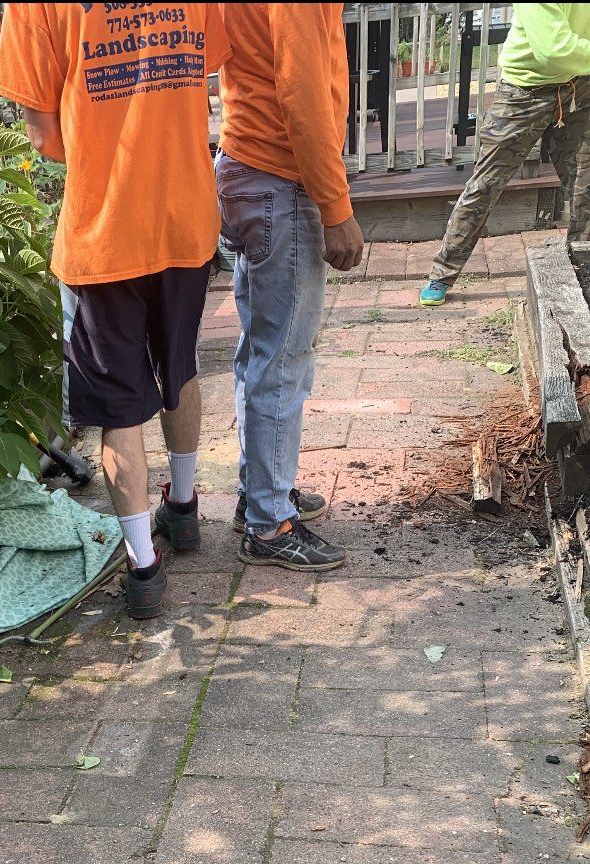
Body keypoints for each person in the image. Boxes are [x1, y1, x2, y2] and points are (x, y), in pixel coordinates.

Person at [0, 3, 230, 619]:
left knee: (118, 406)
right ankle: (183, 509)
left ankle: (143, 567)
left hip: (103, 232)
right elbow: (203, 70)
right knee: (179, 367)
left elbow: (41, 136)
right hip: (185, 216)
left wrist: (106, 156)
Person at [215, 3, 363, 571]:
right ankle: (269, 523)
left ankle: (259, 493)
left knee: (259, 349)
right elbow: (303, 94)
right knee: (281, 358)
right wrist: (335, 206)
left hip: (244, 165)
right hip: (279, 176)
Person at [420, 3, 590, 307]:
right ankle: (442, 273)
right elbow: (553, 50)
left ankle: (589, 274)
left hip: (577, 87)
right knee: (486, 185)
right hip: (523, 93)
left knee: (586, 184)